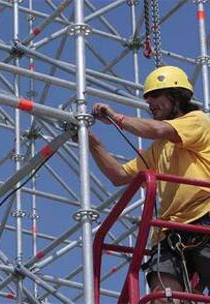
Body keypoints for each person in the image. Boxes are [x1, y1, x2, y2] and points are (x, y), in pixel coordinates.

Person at [88, 65, 210, 301]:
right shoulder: (158, 149)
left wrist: (116, 118)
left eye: (155, 96)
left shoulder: (197, 121)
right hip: (169, 232)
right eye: (147, 98)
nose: (150, 103)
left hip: (203, 216)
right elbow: (119, 176)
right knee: (162, 295)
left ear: (176, 98)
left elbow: (156, 129)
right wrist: (92, 142)